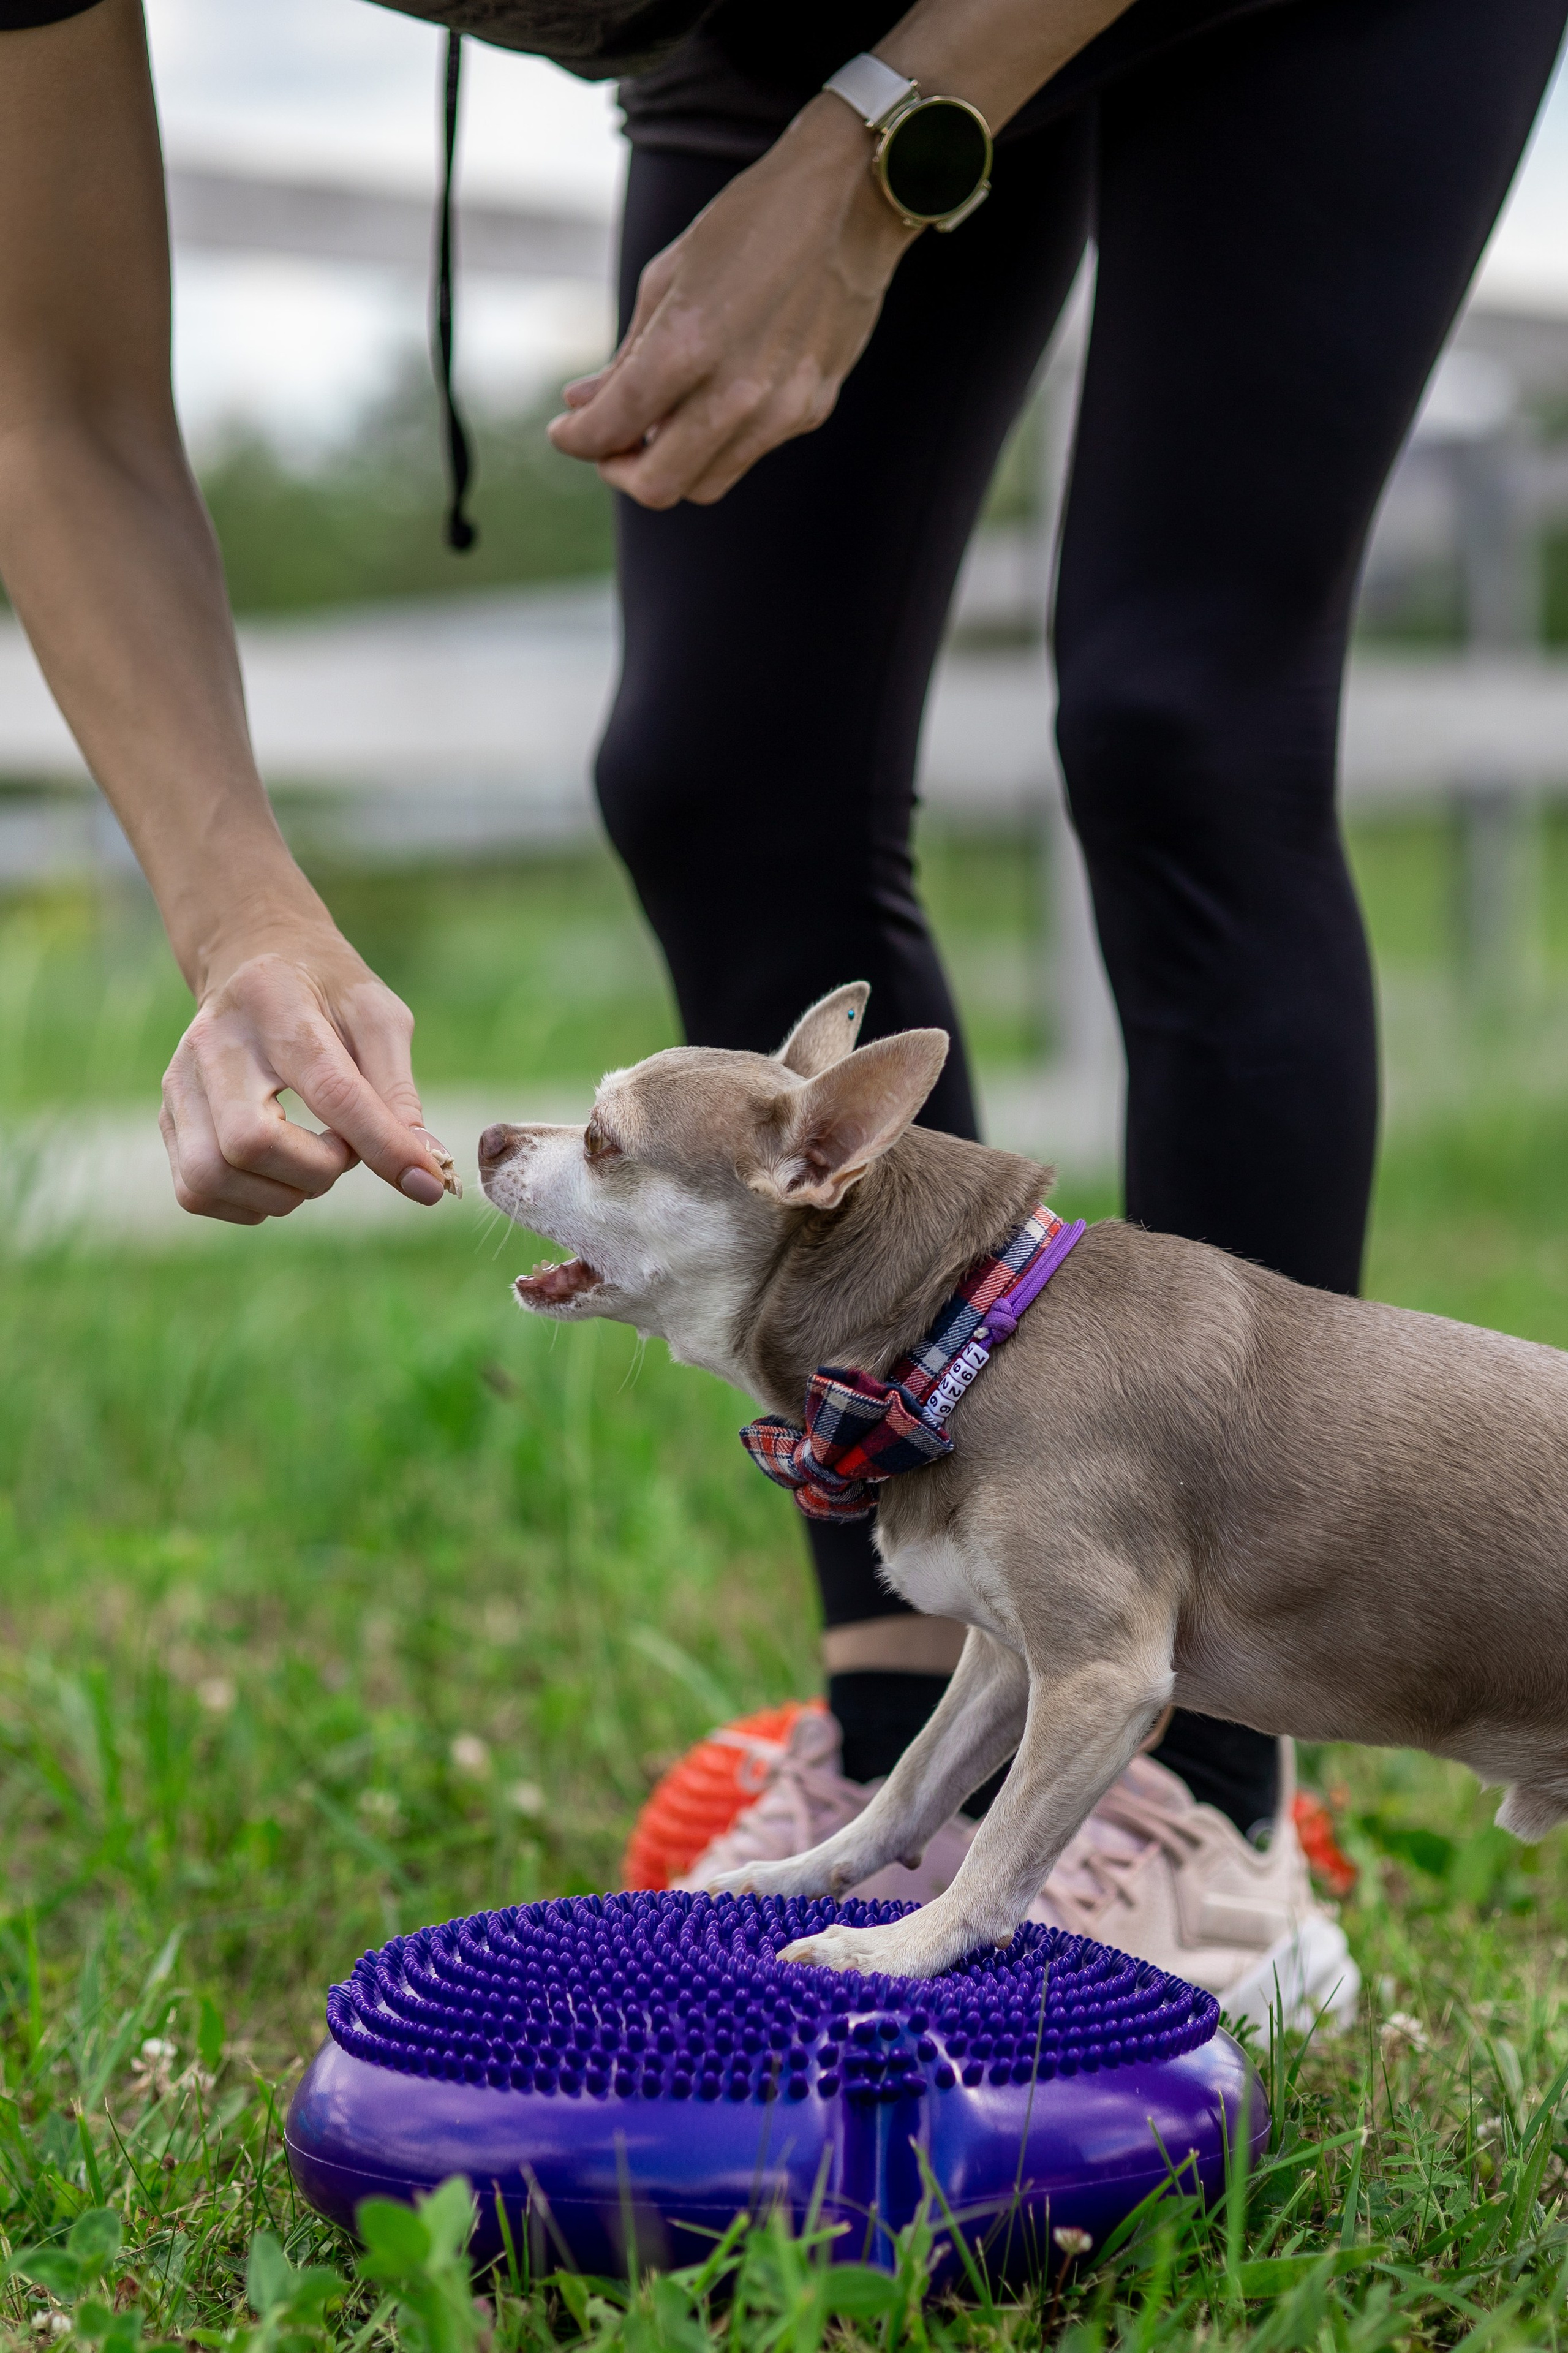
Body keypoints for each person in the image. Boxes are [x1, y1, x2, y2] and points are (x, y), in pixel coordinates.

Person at [2, 0, 1562, 2017]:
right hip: (767, 29)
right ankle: (916, 1718)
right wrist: (236, 919)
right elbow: (56, 400)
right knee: (725, 768)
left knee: (1186, 722)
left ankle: (1192, 1801)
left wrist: (880, 149)